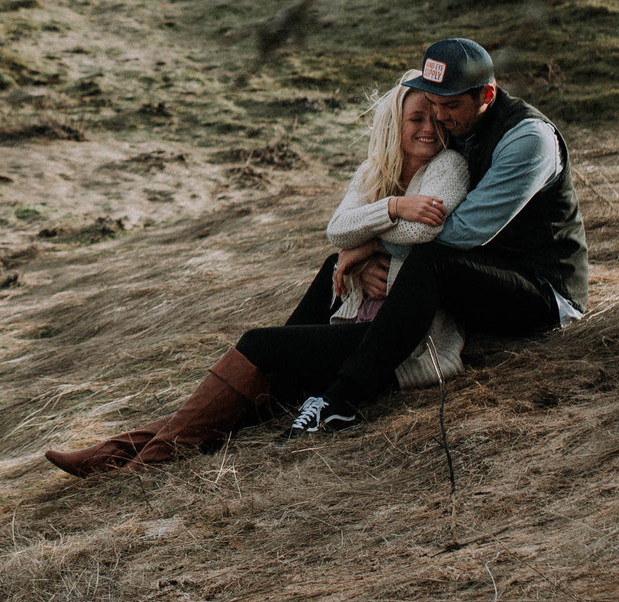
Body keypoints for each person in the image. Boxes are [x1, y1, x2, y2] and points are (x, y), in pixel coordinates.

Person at [42, 36, 588, 474]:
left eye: (448, 109)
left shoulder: (526, 139)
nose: (437, 122)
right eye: (426, 110)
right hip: (469, 282)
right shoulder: (455, 131)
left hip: (540, 291)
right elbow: (340, 229)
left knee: (425, 262)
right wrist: (361, 240)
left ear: (485, 98)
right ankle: (139, 443)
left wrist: (369, 241)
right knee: (310, 304)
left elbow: (462, 234)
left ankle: (340, 400)